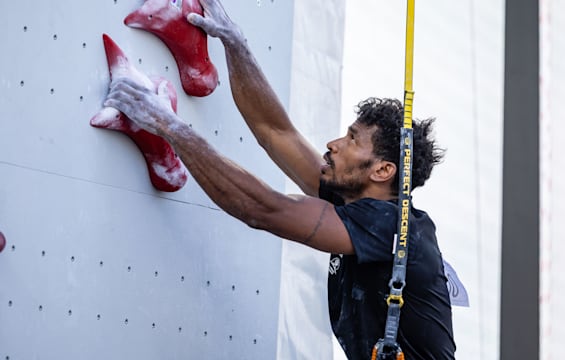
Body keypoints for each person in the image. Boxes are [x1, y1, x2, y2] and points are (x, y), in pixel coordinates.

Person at [104, 0, 456, 358]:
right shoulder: (355, 204)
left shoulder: (394, 227)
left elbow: (263, 209)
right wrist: (235, 43)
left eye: (351, 140)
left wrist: (169, 126)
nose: (333, 144)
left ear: (382, 171)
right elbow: (275, 132)